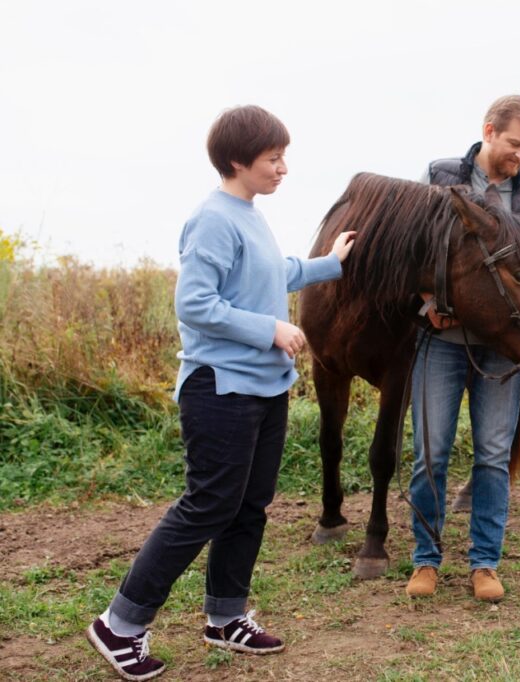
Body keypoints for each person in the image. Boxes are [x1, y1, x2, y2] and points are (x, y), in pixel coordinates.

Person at [85, 105, 356, 681]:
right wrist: (271, 329)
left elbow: (269, 275)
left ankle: (225, 617)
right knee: (208, 504)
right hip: (220, 387)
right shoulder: (212, 218)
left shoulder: (250, 214)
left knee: (249, 506)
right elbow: (195, 305)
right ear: (238, 160)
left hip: (265, 387)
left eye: (284, 157)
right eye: (273, 158)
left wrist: (329, 265)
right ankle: (120, 624)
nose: (283, 168)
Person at [405, 95, 520, 603]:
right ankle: (426, 560)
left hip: (500, 351)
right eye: (514, 143)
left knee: (492, 456)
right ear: (489, 131)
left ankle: (485, 563)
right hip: (440, 343)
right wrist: (426, 302)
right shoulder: (441, 175)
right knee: (431, 454)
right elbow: (413, 249)